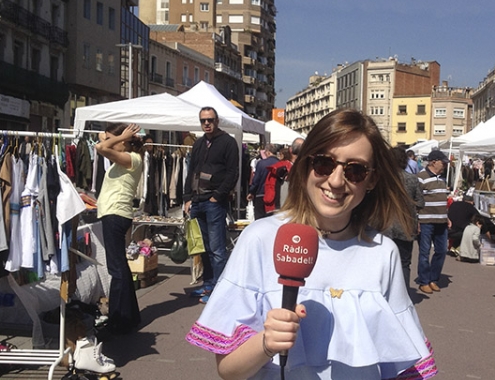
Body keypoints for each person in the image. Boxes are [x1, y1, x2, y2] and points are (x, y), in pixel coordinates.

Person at [185, 109, 437, 379]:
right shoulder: (259, 239)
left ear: (372, 179)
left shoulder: (383, 253)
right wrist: (266, 343)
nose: (337, 180)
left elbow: (403, 366)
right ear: (306, 165)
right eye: (324, 164)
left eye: (356, 170)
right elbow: (228, 370)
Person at [184, 106, 240, 304]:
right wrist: (187, 198)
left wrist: (218, 195)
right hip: (197, 202)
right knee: (204, 247)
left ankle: (219, 288)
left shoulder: (228, 142)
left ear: (217, 120)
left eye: (210, 120)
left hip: (214, 202)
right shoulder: (198, 144)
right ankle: (208, 283)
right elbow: (191, 172)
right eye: (203, 120)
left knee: (217, 248)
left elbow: (233, 173)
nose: (206, 123)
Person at [95, 123, 145, 334]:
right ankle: (129, 316)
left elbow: (100, 147)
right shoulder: (121, 160)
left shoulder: (132, 159)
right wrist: (115, 136)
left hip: (116, 215)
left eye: (113, 140)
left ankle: (117, 319)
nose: (107, 142)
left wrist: (119, 137)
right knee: (121, 268)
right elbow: (102, 142)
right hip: (113, 213)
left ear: (123, 142)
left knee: (116, 269)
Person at [384, 146, 424, 288]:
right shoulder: (412, 179)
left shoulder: (382, 180)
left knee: (384, 262)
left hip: (384, 225)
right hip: (405, 225)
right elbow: (420, 202)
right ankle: (404, 296)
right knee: (404, 263)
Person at [416, 150, 451, 295]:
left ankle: (433, 279)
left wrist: (447, 217)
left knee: (442, 250)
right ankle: (424, 281)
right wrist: (416, 220)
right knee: (424, 252)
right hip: (425, 221)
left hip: (441, 221)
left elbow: (442, 200)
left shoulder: (442, 179)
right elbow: (415, 200)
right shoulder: (421, 178)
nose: (444, 166)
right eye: (443, 163)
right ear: (434, 161)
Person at [263, 137, 304, 214]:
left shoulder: (278, 167)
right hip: (298, 211)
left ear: (290, 150)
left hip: (280, 210)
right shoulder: (308, 170)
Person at [247, 143, 280, 220]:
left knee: (260, 221)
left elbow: (256, 180)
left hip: (261, 194)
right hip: (277, 195)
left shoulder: (261, 163)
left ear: (268, 152)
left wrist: (251, 192)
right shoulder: (281, 164)